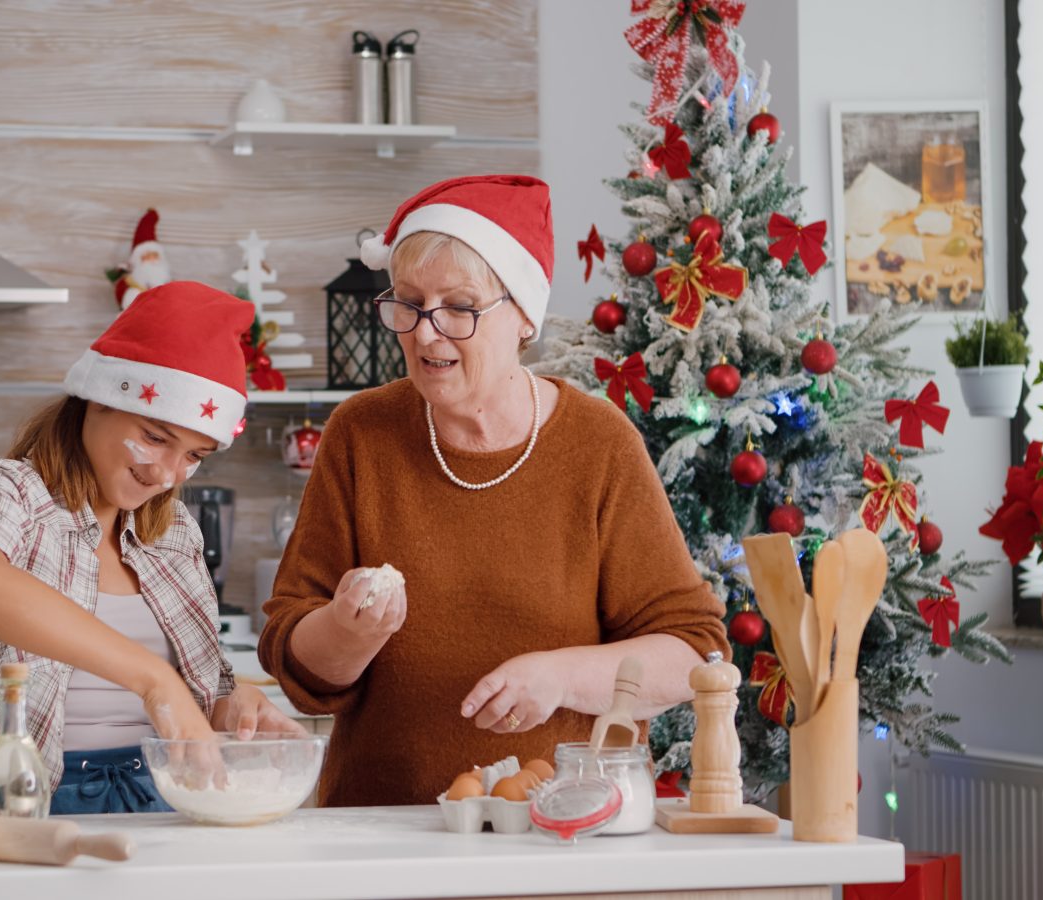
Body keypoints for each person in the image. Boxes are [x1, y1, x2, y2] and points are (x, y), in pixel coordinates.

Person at [258, 175, 729, 807]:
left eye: (459, 307)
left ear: (523, 317)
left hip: (567, 828)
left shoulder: (598, 444)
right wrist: (347, 631)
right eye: (409, 303)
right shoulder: (360, 434)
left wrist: (562, 677)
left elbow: (692, 649)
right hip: (384, 831)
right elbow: (296, 663)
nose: (426, 333)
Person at [0, 281, 302, 815]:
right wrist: (156, 683)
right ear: (97, 400)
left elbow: (200, 696)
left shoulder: (175, 534)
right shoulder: (7, 490)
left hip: (171, 797)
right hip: (26, 807)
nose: (166, 474)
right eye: (154, 437)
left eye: (194, 455)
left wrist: (230, 709)